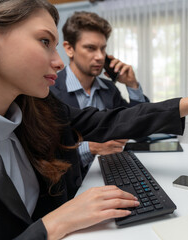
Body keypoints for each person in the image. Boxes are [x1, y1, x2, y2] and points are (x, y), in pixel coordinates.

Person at [0, 0, 188, 239]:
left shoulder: (37, 107)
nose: (56, 61)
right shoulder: (48, 93)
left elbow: (116, 121)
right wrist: (52, 225)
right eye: (44, 41)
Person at [51, 11, 149, 173]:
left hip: (112, 170)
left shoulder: (109, 89)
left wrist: (132, 85)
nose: (99, 57)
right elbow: (47, 155)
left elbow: (139, 129)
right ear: (69, 49)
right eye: (91, 48)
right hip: (74, 184)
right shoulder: (50, 91)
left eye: (103, 49)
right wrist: (91, 148)